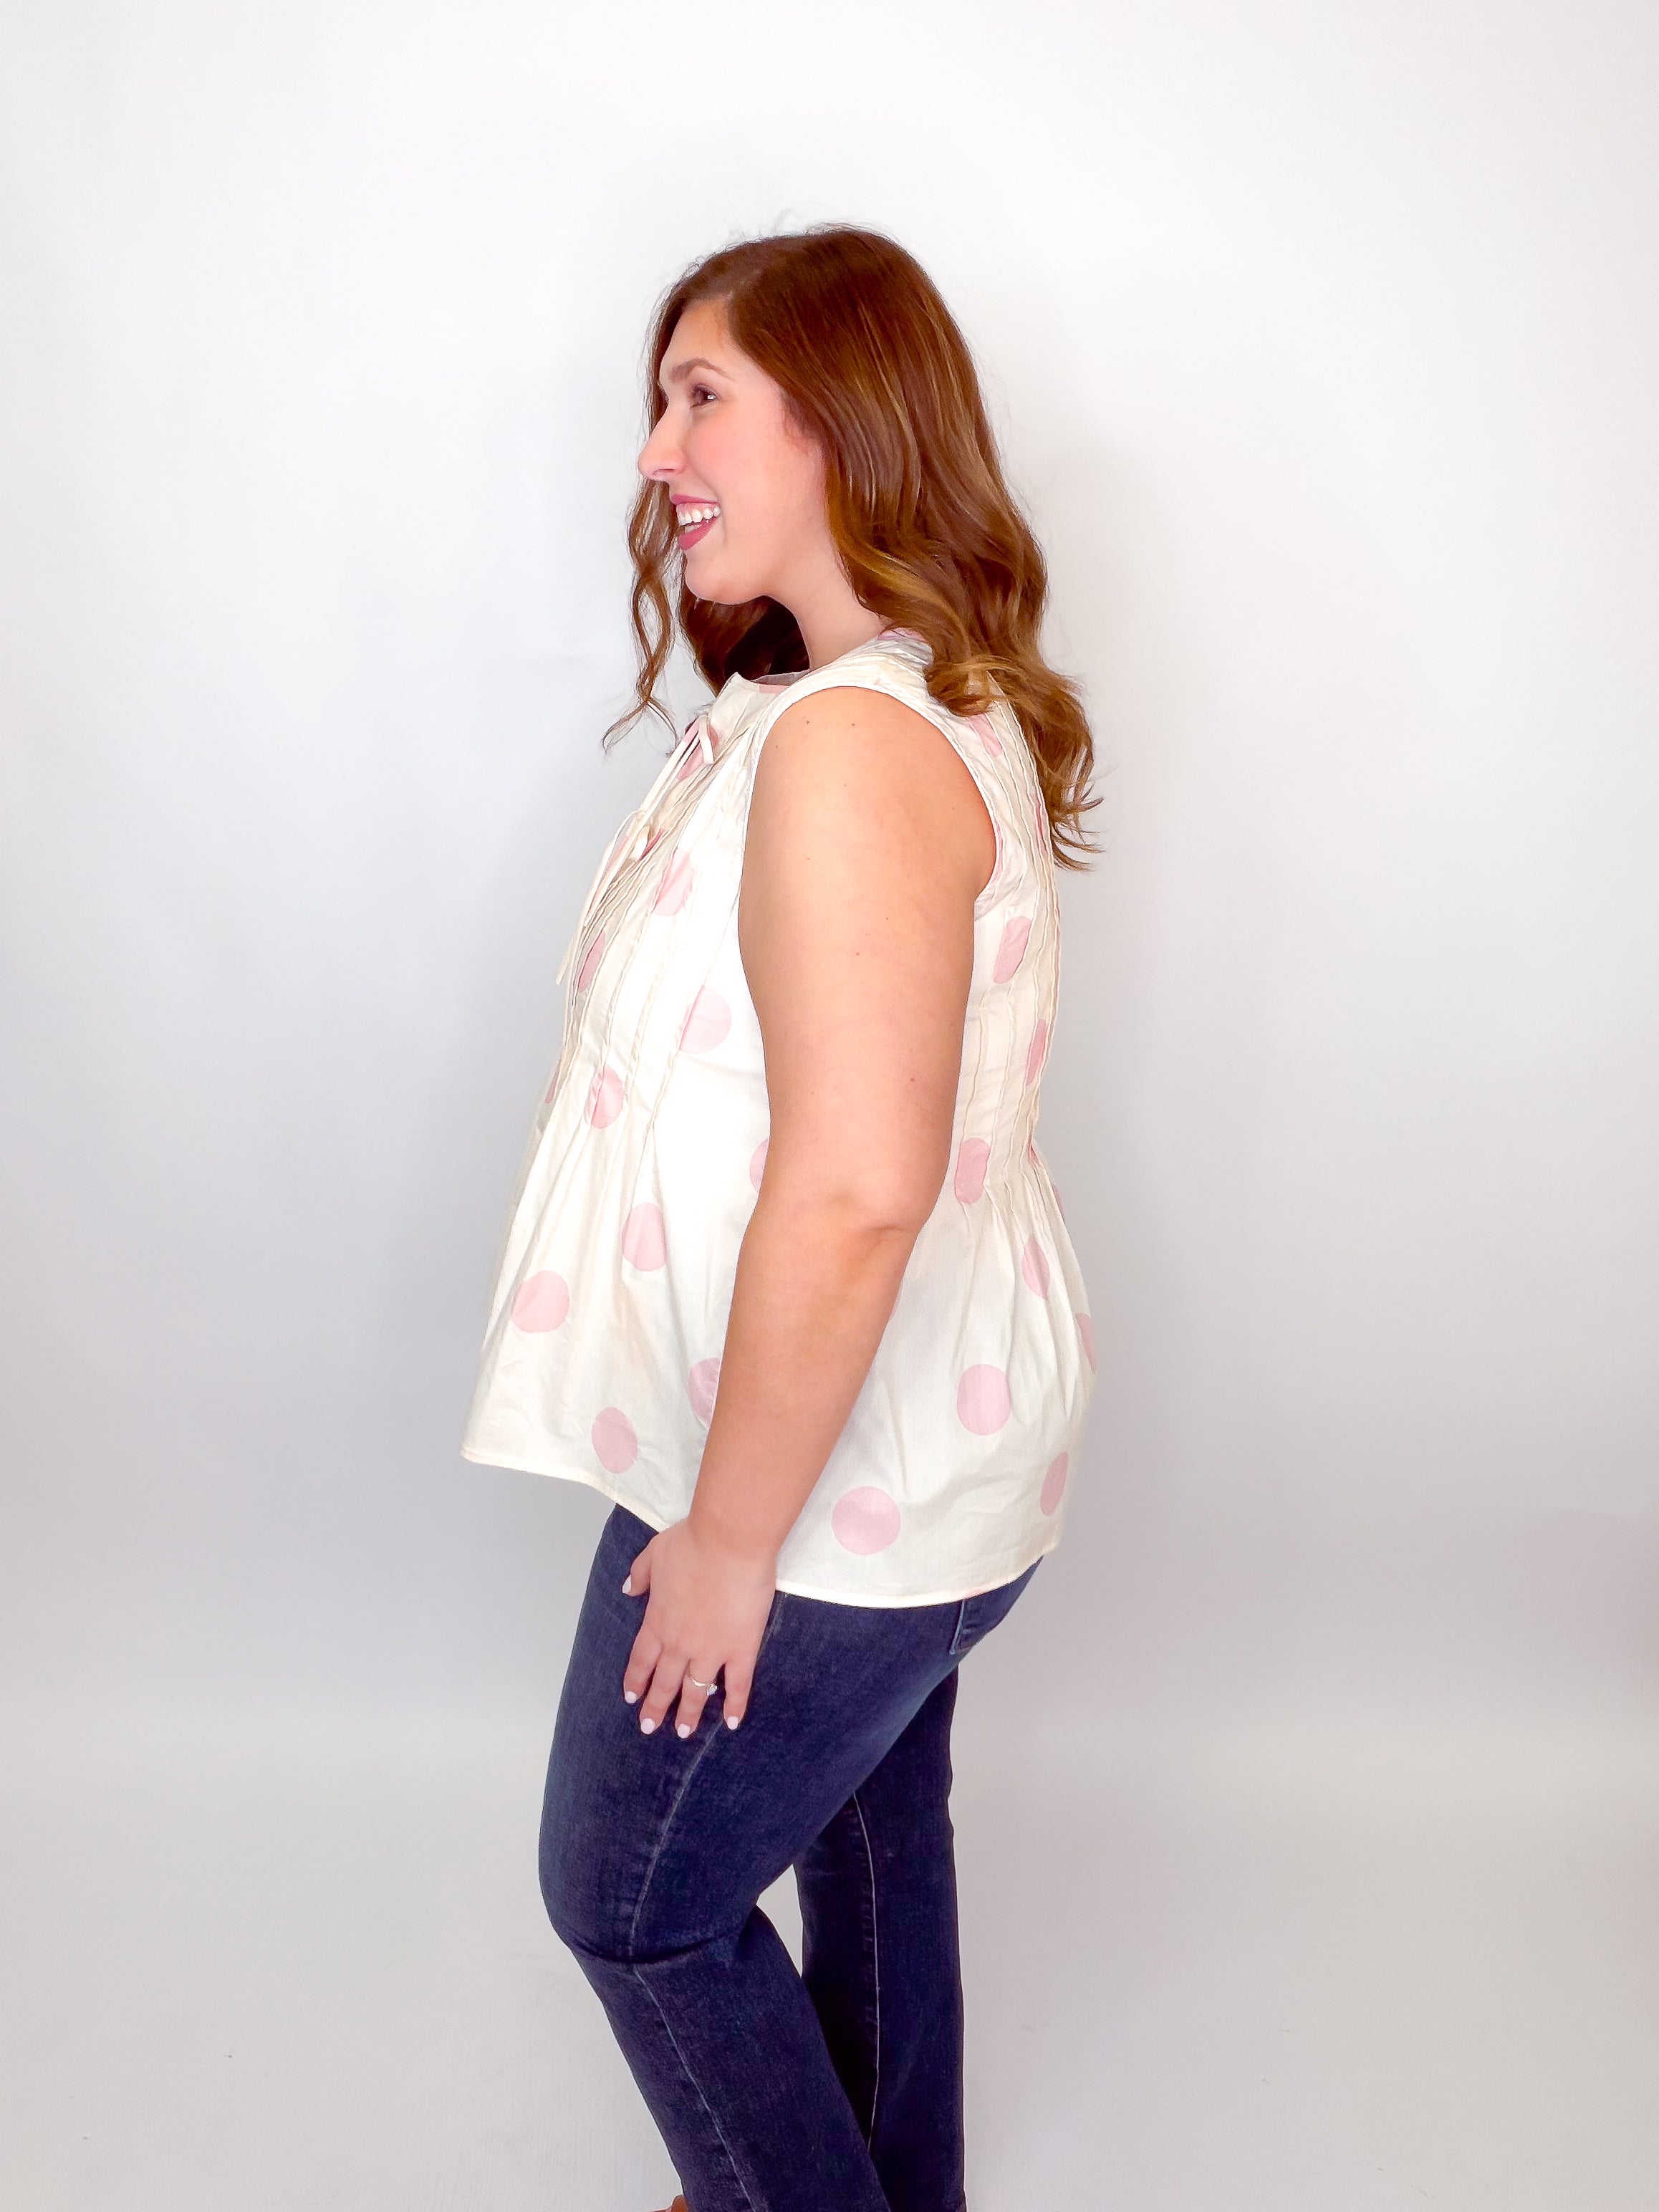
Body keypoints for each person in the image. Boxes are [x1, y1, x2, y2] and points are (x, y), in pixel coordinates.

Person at [460, 225, 1101, 2212]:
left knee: (631, 1899)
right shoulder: (876, 699)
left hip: (828, 1484)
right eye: (658, 402)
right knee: (873, 1824)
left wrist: (727, 1543)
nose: (658, 451)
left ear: (842, 421)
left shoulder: (848, 746)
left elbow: (854, 1184)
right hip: (923, 1443)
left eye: (700, 396)